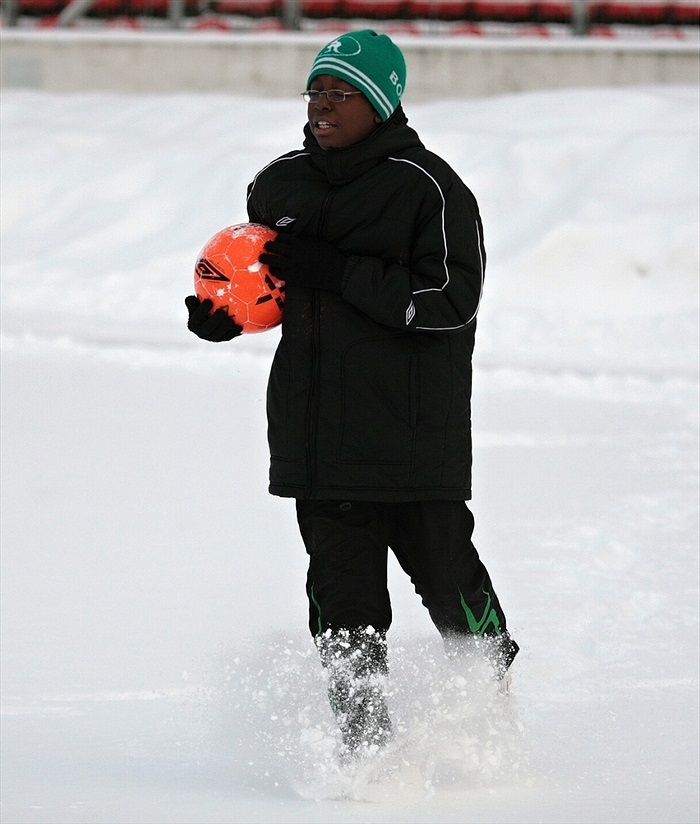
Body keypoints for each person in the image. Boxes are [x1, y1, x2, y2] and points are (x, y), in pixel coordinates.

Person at [185, 29, 518, 758]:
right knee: (344, 610)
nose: (324, 105)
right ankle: (366, 756)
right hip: (316, 435)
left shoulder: (429, 188)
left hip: (409, 438)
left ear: (382, 103)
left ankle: (491, 714)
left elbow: (449, 300)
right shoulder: (279, 184)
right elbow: (263, 284)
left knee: (448, 580)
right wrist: (223, 317)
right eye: (317, 90)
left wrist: (333, 270)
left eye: (344, 93)